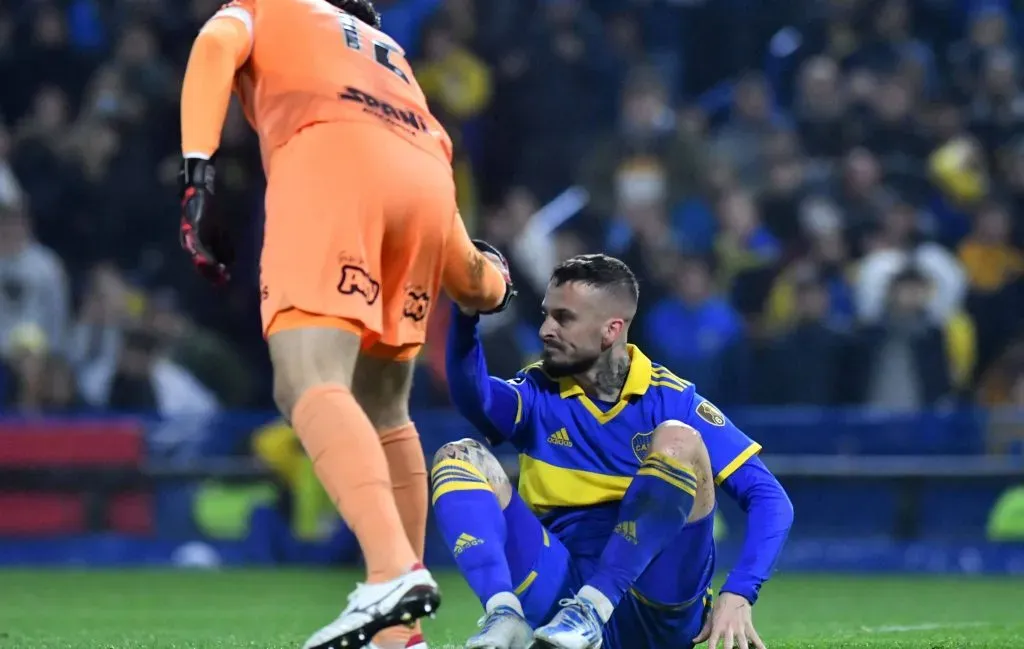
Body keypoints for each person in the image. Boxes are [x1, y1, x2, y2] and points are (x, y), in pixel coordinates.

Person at [176, 1, 515, 648]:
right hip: (425, 175)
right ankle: (400, 630)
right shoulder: (389, 59)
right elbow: (468, 269)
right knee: (386, 403)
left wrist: (198, 174)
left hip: (331, 156)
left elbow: (216, 45)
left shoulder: (268, 6)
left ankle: (390, 572)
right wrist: (493, 282)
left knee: (306, 377)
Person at [434, 254, 794, 649]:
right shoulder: (536, 393)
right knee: (457, 456)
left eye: (563, 318)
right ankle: (503, 614)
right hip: (560, 596)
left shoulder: (671, 399)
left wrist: (740, 590)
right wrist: (466, 315)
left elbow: (770, 497)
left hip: (657, 604)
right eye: (546, 314)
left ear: (611, 330)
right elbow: (474, 397)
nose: (545, 330)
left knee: (679, 439)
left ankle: (595, 605)